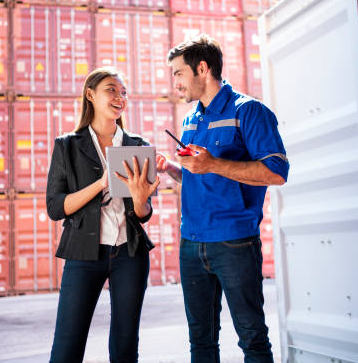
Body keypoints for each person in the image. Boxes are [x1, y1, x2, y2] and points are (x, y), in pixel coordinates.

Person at [157, 34, 289, 363]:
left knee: (252, 339)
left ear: (202, 68)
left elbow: (277, 172)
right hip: (191, 242)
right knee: (200, 342)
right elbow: (198, 176)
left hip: (234, 243)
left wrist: (212, 163)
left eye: (178, 73)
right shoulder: (190, 119)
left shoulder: (250, 111)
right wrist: (172, 169)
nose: (174, 82)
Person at [46, 67, 160, 363]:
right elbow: (56, 207)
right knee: (67, 346)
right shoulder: (67, 145)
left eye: (123, 92)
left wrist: (140, 199)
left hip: (130, 255)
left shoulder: (138, 146)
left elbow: (143, 214)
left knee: (125, 345)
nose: (119, 97)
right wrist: (100, 184)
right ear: (90, 95)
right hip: (83, 255)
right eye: (111, 89)